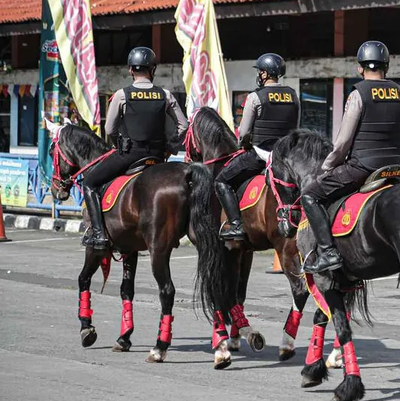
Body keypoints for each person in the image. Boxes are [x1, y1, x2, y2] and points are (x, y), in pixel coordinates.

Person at [302, 40, 400, 273]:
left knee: (310, 195)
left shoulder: (358, 94)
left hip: (364, 167)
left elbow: (342, 142)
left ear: (360, 68)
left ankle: (328, 253)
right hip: (395, 167)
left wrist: (328, 167)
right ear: (386, 66)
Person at [82, 46, 188, 251]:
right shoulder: (165, 95)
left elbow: (109, 128)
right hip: (157, 157)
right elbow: (183, 125)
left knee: (89, 182)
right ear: (153, 69)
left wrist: (118, 143)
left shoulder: (122, 95)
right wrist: (170, 147)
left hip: (131, 155)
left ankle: (98, 233)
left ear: (131, 70)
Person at [214, 53, 300, 240]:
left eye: (261, 71)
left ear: (267, 73)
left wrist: (243, 145)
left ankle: (236, 224)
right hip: (286, 157)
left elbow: (244, 133)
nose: (259, 74)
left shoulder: (255, 97)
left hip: (261, 155)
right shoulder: (293, 95)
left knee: (222, 181)